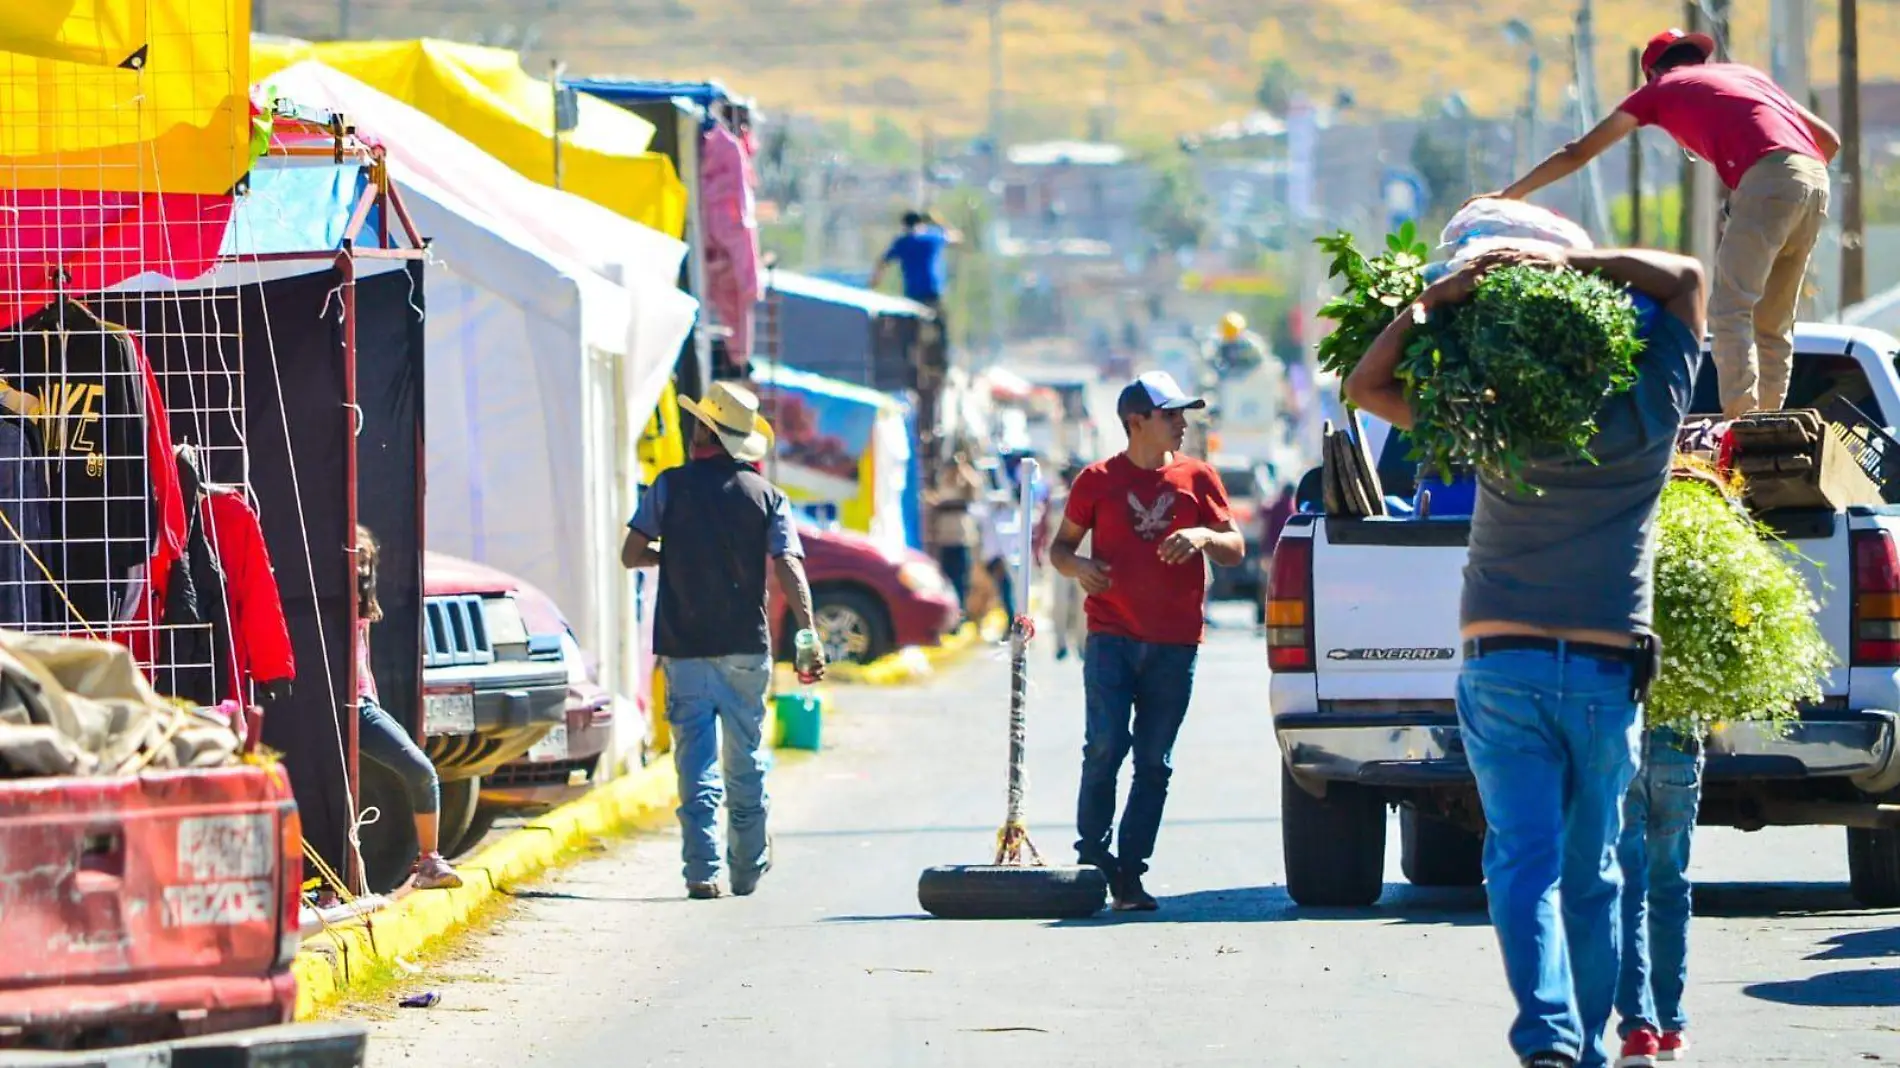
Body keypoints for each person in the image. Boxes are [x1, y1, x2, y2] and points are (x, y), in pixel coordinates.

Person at [1344, 242, 1706, 1068]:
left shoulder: (1495, 416)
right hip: (1607, 672)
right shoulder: (1650, 415)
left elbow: (1365, 387)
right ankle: (1578, 1041)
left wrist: (1446, 295)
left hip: (1501, 663)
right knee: (1595, 874)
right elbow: (1686, 277)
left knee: (1523, 862)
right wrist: (1568, 260)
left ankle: (1549, 1041)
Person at [1485, 27, 1837, 421]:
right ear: (1698, 60)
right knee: (1773, 321)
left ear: (1652, 72)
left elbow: (1577, 152)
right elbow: (1829, 141)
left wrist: (1507, 196)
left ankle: (1740, 423)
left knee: (1729, 309)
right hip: (1815, 180)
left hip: (1768, 180)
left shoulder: (1660, 89)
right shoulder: (1746, 76)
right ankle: (1769, 424)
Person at [1049, 371, 1245, 911]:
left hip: (1175, 642)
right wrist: (1080, 566)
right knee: (1106, 746)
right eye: (1171, 415)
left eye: (1183, 414)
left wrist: (1205, 535)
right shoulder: (1095, 480)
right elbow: (1060, 550)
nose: (1182, 424)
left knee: (1155, 761)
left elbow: (1235, 546)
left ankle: (1130, 875)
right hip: (1111, 636)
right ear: (1136, 423)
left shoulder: (1198, 478)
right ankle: (1092, 860)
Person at [622, 381, 824, 900]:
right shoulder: (768, 496)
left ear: (703, 433)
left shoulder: (668, 486)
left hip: (684, 646)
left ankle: (701, 871)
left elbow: (631, 552)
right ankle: (748, 866)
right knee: (746, 759)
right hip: (745, 647)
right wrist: (808, 633)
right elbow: (788, 567)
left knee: (694, 763)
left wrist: (678, 555)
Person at [354, 524, 461, 891]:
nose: (362, 571)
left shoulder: (361, 606)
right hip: (343, 707)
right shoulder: (329, 603)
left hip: (364, 703)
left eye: (367, 562)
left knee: (421, 771)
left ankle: (428, 861)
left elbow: (363, 659)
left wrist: (374, 701)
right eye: (357, 561)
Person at [1614, 728, 1706, 1066]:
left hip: (1620, 744)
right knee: (1669, 888)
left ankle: (1639, 1028)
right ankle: (1669, 1024)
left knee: (1626, 893)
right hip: (1676, 747)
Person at [926, 451, 984, 623]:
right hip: (944, 538)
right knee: (946, 579)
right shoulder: (943, 484)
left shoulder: (964, 483)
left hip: (961, 538)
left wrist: (963, 468)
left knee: (961, 579)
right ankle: (948, 615)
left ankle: (960, 615)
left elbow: (975, 489)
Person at [869, 211, 961, 309]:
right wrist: (938, 221)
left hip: (912, 292)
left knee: (912, 321)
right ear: (921, 224)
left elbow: (882, 262)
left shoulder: (901, 243)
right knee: (937, 321)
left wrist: (874, 284)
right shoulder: (932, 238)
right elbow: (957, 237)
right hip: (932, 290)